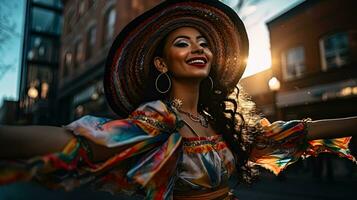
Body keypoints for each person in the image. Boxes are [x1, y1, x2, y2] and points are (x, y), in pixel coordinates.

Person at [0, 0, 356, 199]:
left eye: (203, 41)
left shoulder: (220, 122)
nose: (198, 47)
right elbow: (81, 142)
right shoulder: (158, 119)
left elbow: (288, 133)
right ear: (161, 62)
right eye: (182, 42)